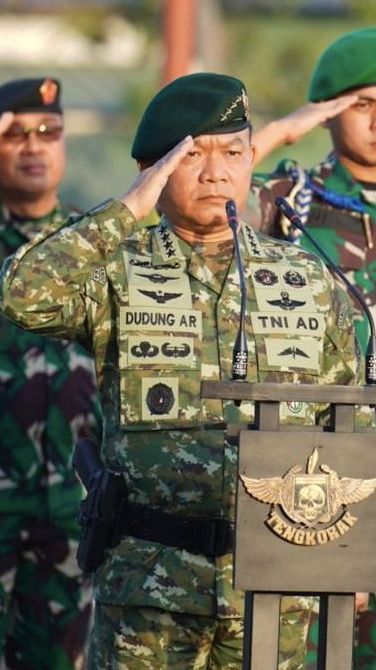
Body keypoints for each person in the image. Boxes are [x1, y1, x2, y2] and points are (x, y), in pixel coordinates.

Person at [0, 72, 366, 669]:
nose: (216, 172)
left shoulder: (308, 276)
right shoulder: (118, 271)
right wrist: (129, 207)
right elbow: (22, 294)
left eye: (234, 153)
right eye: (193, 155)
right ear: (155, 169)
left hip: (275, 592)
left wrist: (349, 548)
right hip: (148, 592)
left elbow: (350, 419)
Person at [251, 26, 376, 669]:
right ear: (327, 109)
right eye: (361, 103)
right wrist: (282, 131)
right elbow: (203, 189)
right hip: (319, 469)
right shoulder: (289, 199)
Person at [0, 78, 102, 669]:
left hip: (69, 514)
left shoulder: (90, 249)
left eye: (48, 133)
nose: (33, 147)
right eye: (14, 135)